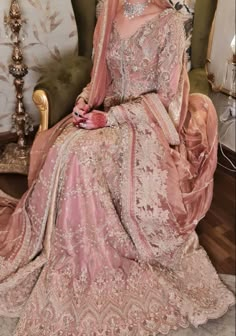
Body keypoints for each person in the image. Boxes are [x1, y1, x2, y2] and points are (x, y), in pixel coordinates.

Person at [0, 0, 235, 335]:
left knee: (82, 151)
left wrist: (112, 118)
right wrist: (84, 102)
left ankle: (94, 256)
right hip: (103, 116)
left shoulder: (168, 22)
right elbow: (102, 81)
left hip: (144, 126)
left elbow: (168, 99)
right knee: (65, 142)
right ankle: (57, 244)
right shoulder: (108, 14)